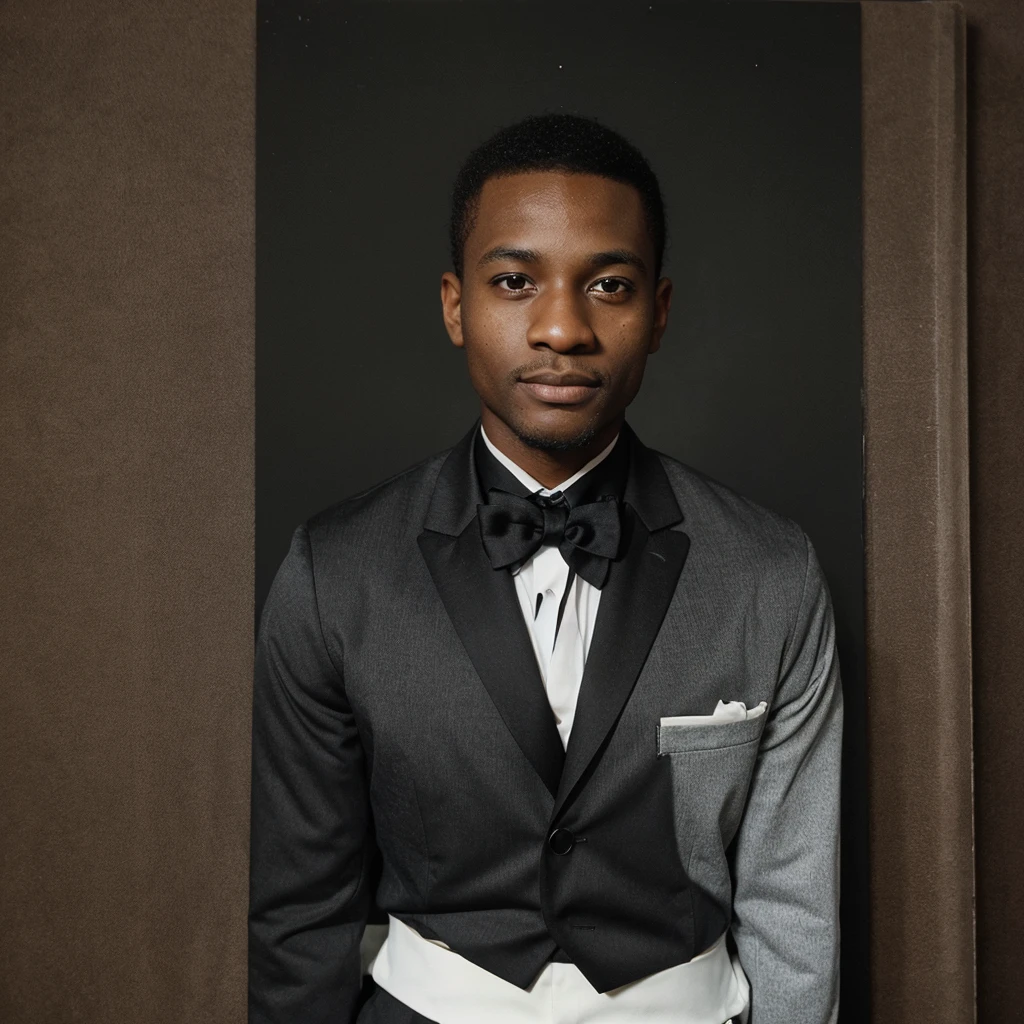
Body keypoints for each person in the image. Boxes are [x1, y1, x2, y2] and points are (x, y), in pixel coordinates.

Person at [248, 113, 842, 1024]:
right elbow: (301, 907)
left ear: (660, 312)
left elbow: (794, 905)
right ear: (456, 305)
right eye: (516, 281)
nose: (563, 328)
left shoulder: (771, 570)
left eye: (608, 284)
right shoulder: (334, 571)